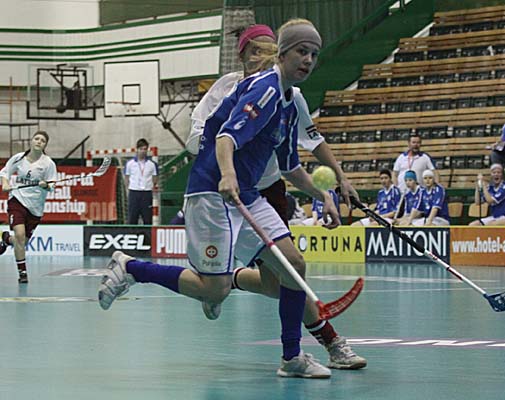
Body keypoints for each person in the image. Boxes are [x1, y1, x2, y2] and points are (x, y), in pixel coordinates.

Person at [98, 19, 352, 379]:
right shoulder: (264, 90)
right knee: (213, 292)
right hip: (212, 192)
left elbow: (290, 166)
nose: (308, 60)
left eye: (313, 54)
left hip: (247, 195)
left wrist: (323, 195)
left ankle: (292, 357)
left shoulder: (289, 101)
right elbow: (226, 137)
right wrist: (228, 174)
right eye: (301, 51)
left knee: (293, 266)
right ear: (282, 54)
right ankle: (132, 268)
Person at [186, 24, 365, 369]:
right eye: (254, 50)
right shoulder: (226, 89)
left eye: (267, 48)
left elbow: (311, 143)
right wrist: (228, 162)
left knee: (275, 282)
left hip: (269, 189)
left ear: (278, 52)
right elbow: (201, 138)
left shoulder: (289, 93)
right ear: (242, 55)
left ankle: (226, 281)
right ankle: (329, 343)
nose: (261, 55)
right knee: (292, 270)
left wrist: (338, 181)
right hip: (227, 188)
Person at [0, 131, 57, 283]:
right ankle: (23, 273)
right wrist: (5, 183)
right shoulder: (19, 158)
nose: (39, 141)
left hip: (35, 207)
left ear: (45, 145)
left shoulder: (48, 163)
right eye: (36, 139)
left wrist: (46, 185)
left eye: (42, 140)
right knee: (20, 235)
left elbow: (52, 185)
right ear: (31, 141)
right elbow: (5, 172)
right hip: (17, 200)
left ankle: (6, 239)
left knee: (22, 242)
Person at [124, 138, 158, 225]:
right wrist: (129, 189)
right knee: (132, 218)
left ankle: (147, 234)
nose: (143, 151)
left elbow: (155, 178)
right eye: (141, 149)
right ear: (137, 149)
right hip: (134, 193)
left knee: (147, 219)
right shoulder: (130, 163)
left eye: (145, 149)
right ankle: (132, 233)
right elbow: (127, 178)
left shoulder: (152, 164)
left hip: (146, 193)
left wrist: (151, 186)